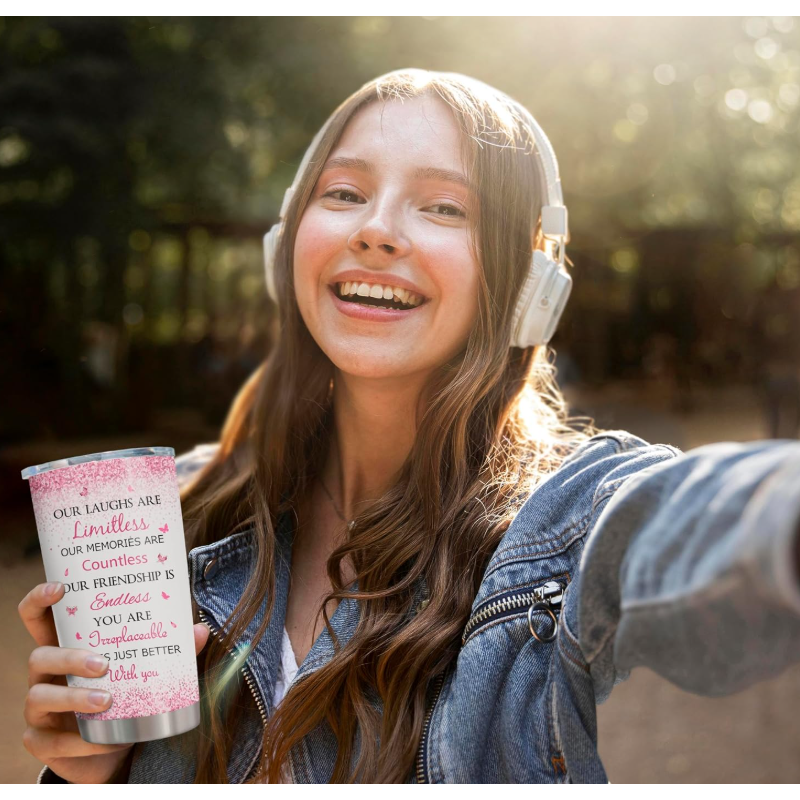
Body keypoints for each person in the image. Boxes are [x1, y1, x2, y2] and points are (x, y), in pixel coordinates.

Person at [18, 69, 800, 784]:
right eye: (344, 193)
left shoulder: (567, 519)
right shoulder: (171, 512)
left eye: (444, 207)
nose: (377, 230)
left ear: (526, 284)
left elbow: (715, 520)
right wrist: (94, 773)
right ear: (285, 251)